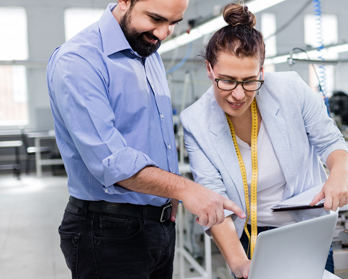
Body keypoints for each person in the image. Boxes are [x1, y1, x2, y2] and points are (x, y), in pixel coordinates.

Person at [46, 0, 246, 278]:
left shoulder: (149, 51)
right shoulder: (79, 60)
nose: (163, 33)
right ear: (125, 1)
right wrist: (186, 190)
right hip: (108, 231)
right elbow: (111, 162)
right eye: (155, 18)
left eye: (173, 23)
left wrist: (169, 197)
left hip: (158, 226)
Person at [180, 3, 348, 278]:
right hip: (246, 241)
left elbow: (331, 141)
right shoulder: (195, 122)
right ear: (210, 69)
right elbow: (214, 201)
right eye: (227, 81)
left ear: (262, 72)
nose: (238, 94)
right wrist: (238, 262)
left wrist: (340, 173)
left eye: (249, 81)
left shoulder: (290, 89)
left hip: (305, 231)